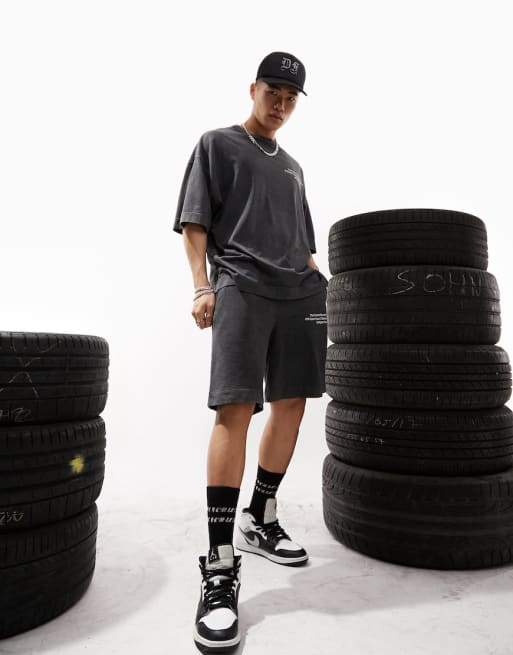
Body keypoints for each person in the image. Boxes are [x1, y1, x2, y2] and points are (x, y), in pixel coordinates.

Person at [173, 51, 328, 653]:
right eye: (274, 92)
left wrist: (322, 285)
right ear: (253, 88)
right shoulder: (217, 144)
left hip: (300, 292)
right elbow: (195, 223)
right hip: (239, 283)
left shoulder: (293, 167)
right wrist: (202, 285)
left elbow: (304, 243)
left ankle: (259, 519)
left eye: (292, 98)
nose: (282, 104)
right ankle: (219, 562)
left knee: (293, 403)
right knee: (235, 407)